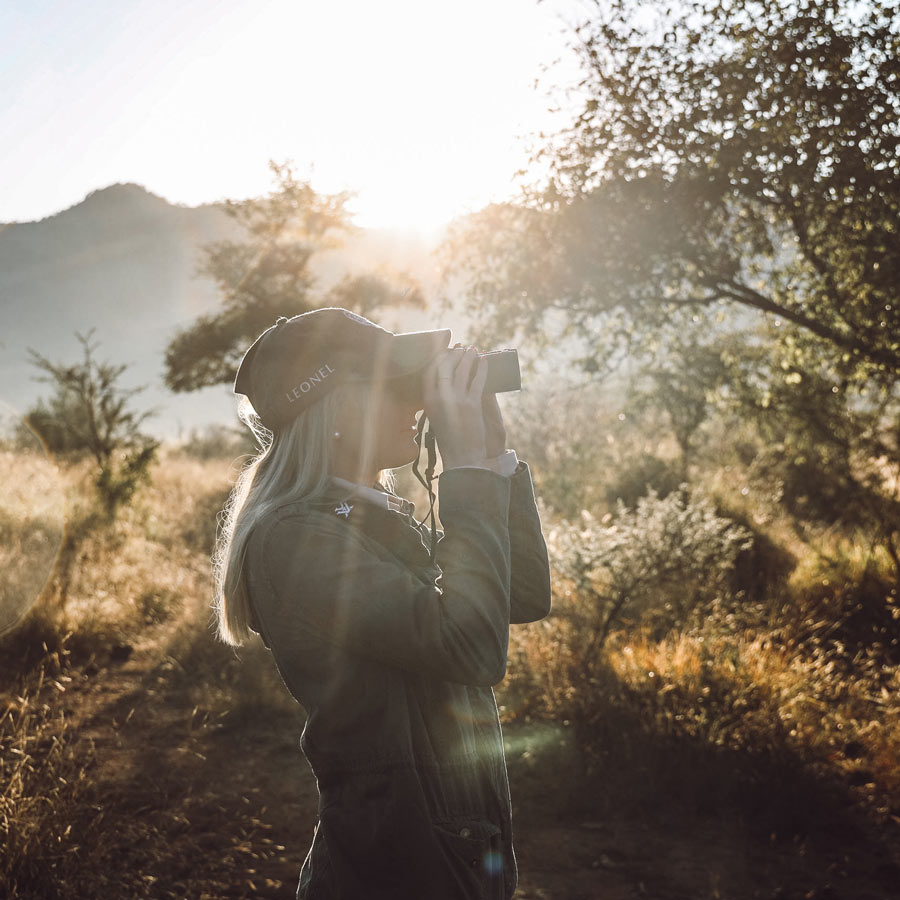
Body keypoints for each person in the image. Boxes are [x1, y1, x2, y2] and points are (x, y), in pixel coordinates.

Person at [213, 307, 551, 900]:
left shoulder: (364, 517)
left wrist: (492, 456)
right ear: (336, 408)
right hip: (395, 866)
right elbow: (472, 646)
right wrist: (465, 472)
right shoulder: (296, 539)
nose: (417, 405)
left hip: (450, 847)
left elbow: (520, 595)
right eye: (396, 387)